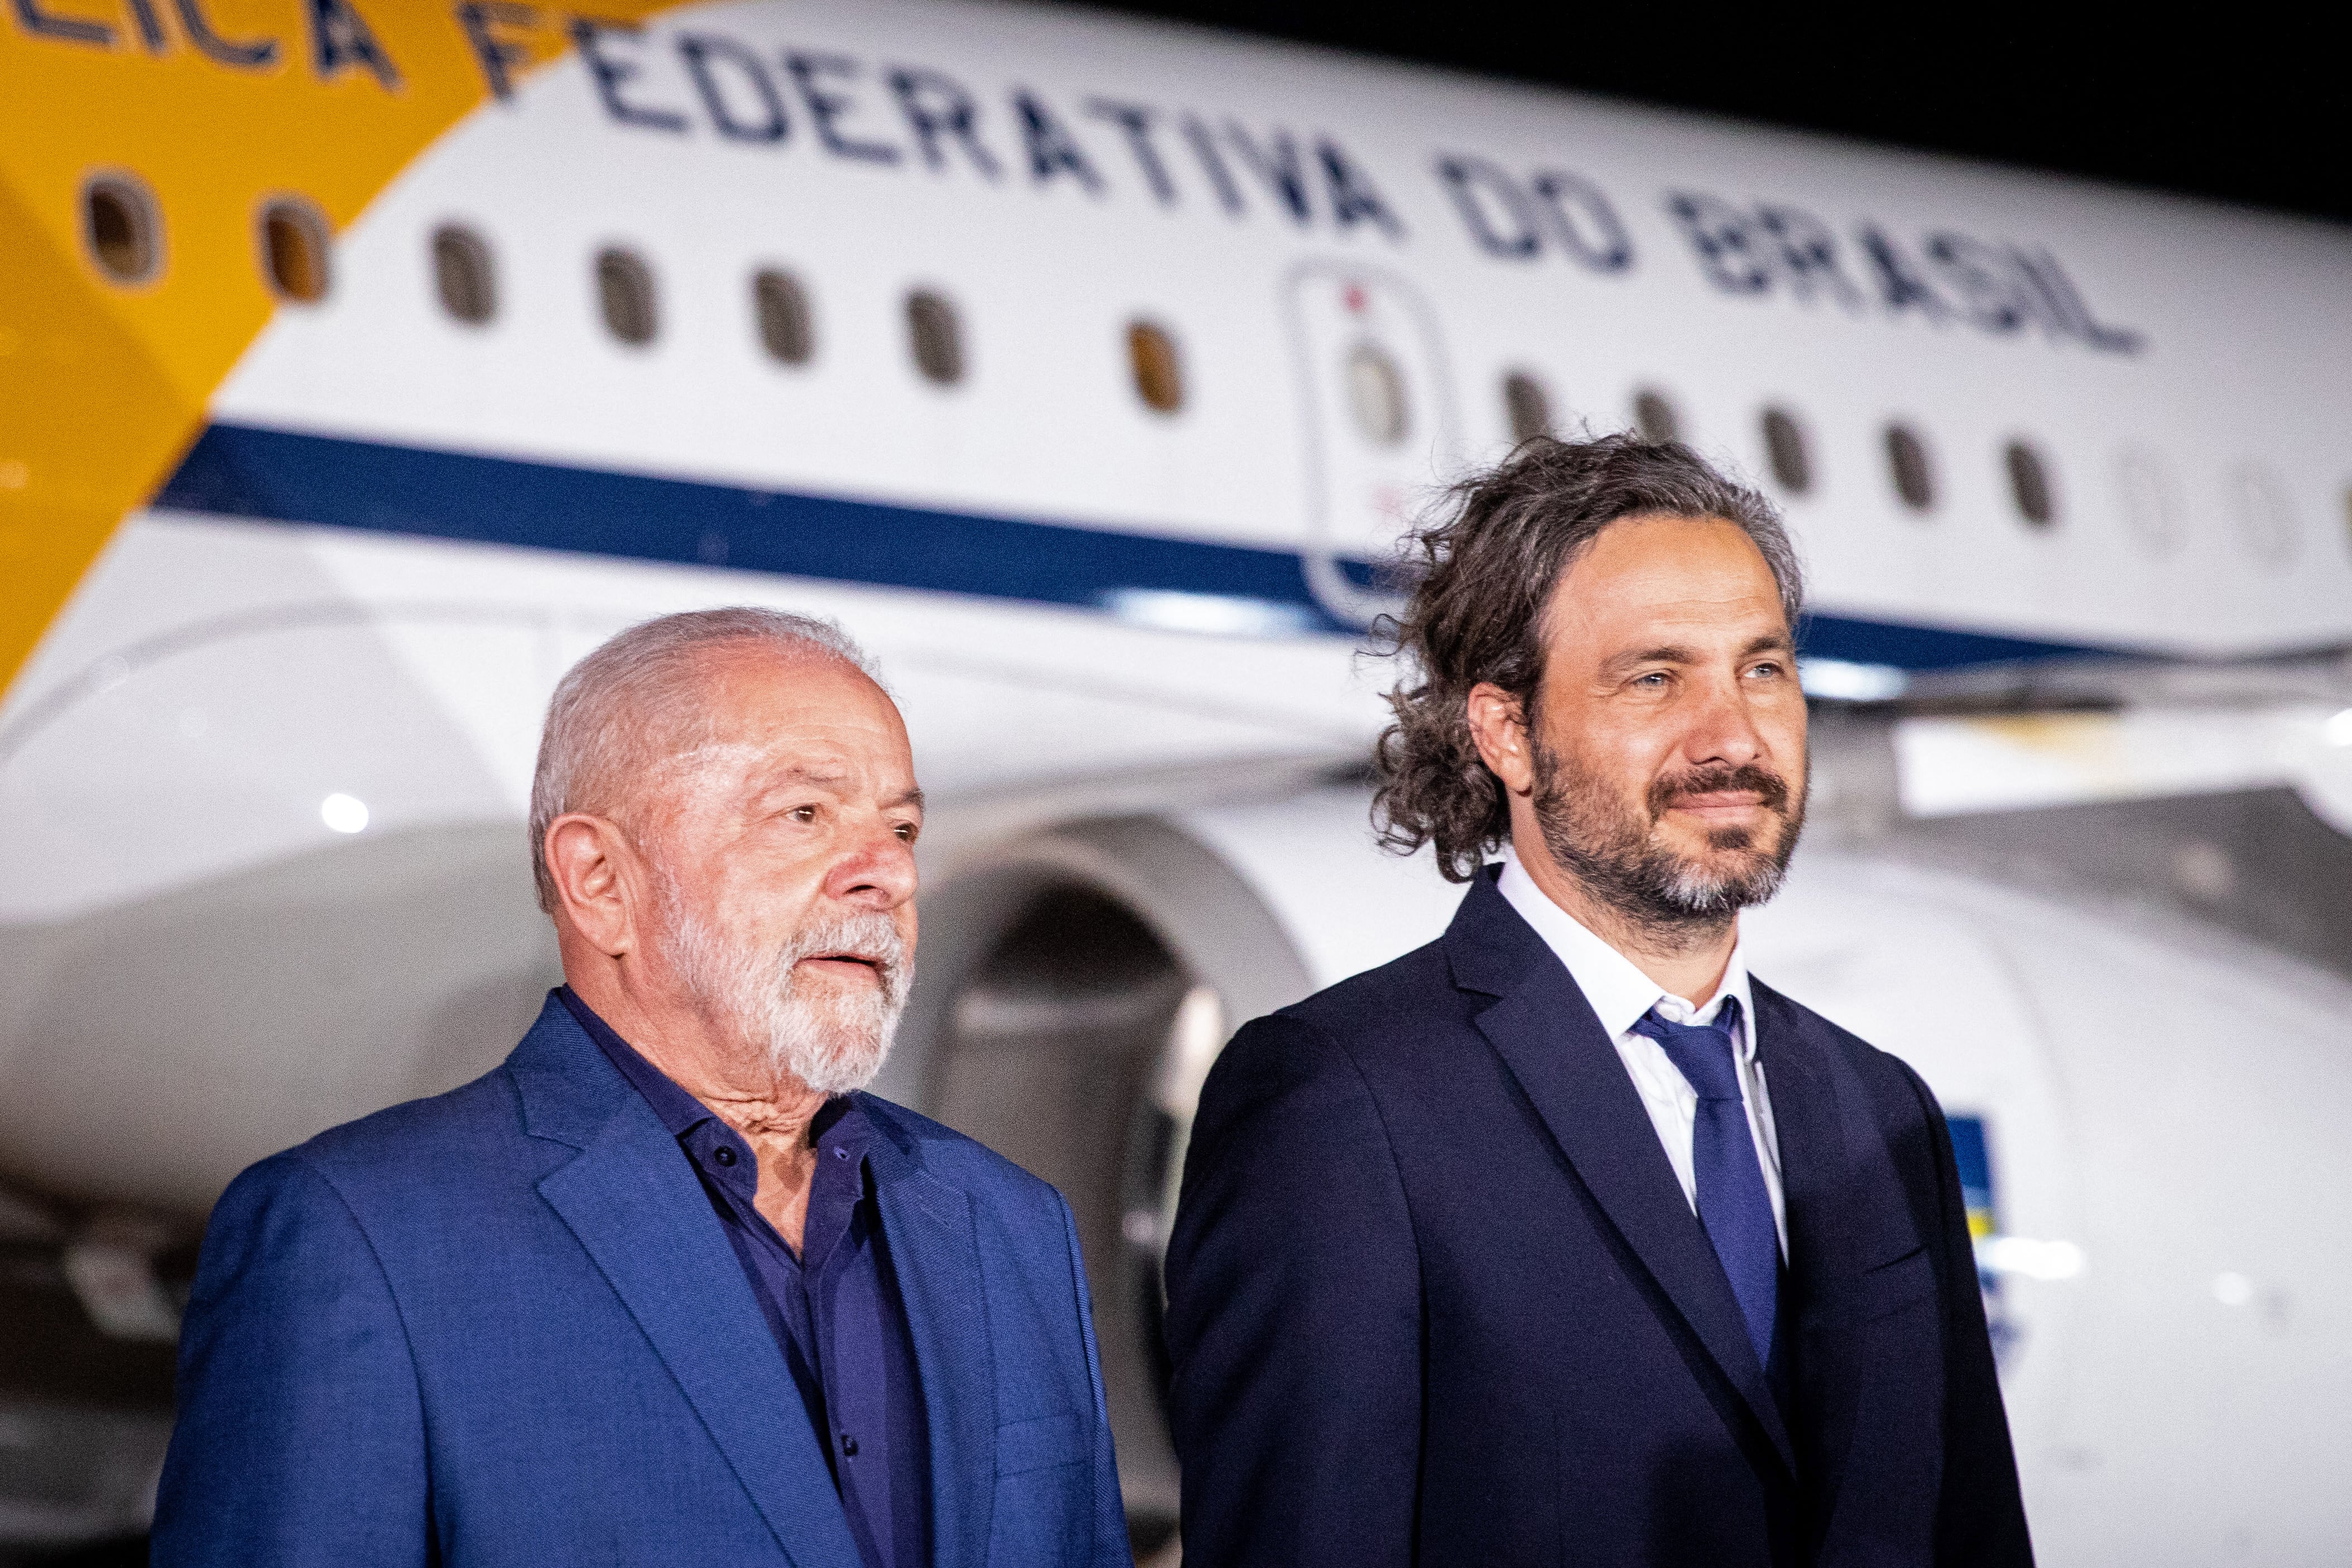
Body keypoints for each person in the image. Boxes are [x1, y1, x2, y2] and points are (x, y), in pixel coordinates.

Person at [1163, 435, 2031, 1567]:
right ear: (1506, 732)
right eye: (1655, 678)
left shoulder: (1880, 1107)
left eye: (1762, 670)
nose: (1732, 736)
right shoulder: (1339, 1104)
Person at [153, 608, 1131, 1568]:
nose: (889, 874)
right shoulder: (361, 1237)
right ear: (600, 880)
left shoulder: (1010, 1224)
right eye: (804, 814)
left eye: (903, 827)